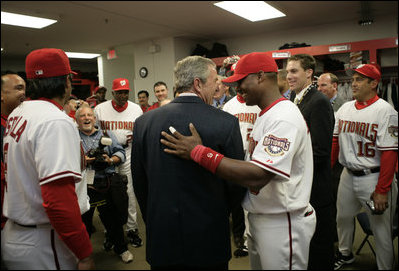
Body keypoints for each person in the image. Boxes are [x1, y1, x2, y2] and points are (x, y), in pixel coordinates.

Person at [160, 52, 316, 270]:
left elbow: (258, 176)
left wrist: (198, 152)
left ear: (261, 76)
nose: (237, 88)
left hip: (283, 221)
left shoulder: (284, 116)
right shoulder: (266, 112)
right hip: (263, 215)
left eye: (242, 81)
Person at [132, 55, 246, 269]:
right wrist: (221, 213)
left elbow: (140, 181)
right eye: (215, 82)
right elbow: (236, 183)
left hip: (162, 233)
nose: (217, 89)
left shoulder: (144, 123)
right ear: (198, 83)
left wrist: (155, 217)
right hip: (209, 233)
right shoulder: (226, 123)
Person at [1, 48, 94, 269]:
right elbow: (57, 200)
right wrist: (84, 253)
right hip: (44, 240)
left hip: (17, 232)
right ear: (66, 82)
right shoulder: (55, 120)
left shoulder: (18, 112)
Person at [332, 64, 398, 270]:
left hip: (374, 176)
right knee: (342, 217)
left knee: (380, 229)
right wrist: (327, 171)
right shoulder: (344, 108)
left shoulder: (386, 111)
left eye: (359, 79)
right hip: (347, 175)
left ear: (374, 83)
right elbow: (335, 142)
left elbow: (390, 153)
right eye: (353, 79)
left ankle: (384, 266)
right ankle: (345, 253)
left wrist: (382, 190)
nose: (353, 83)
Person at [287, 54, 335, 270]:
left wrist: (287, 163)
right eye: (287, 72)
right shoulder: (292, 99)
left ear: (309, 73)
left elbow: (321, 150)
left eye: (294, 71)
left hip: (316, 187)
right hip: (299, 186)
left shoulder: (319, 102)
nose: (289, 76)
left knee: (318, 249)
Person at [76, 104, 133, 263]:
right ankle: (83, 255)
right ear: (77, 120)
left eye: (89, 115)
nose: (87, 118)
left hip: (107, 182)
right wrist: (82, 161)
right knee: (83, 221)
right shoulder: (72, 136)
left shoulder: (106, 135)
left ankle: (121, 249)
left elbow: (120, 153)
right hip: (84, 185)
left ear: (94, 119)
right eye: (82, 116)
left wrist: (110, 160)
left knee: (113, 219)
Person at [94, 78, 143, 248]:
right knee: (107, 192)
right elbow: (93, 130)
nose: (123, 95)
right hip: (106, 154)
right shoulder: (100, 109)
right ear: (113, 93)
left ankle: (131, 228)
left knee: (128, 191)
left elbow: (141, 132)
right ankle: (110, 230)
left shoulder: (136, 109)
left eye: (126, 92)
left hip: (128, 152)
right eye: (119, 92)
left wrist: (135, 137)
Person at [223, 86, 261, 258]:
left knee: (257, 199)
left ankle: (254, 238)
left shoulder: (258, 104)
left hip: (257, 155)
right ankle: (243, 237)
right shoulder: (229, 106)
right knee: (239, 200)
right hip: (236, 156)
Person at [317, 72, 346, 244]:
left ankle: (334, 239)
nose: (320, 89)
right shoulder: (319, 103)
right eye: (318, 85)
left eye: (324, 86)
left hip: (337, 162)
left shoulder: (344, 106)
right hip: (324, 158)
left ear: (334, 86)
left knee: (335, 200)